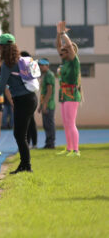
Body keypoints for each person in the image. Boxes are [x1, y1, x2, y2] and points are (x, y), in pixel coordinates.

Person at [0, 33, 37, 173]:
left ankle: (26, 166)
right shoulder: (21, 60)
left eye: (0, 47)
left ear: (2, 48)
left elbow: (1, 88)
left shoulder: (7, 65)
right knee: (20, 134)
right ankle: (25, 164)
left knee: (20, 135)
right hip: (31, 98)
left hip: (23, 100)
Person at [55, 21, 82, 157]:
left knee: (71, 123)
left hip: (72, 95)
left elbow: (69, 46)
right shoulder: (65, 62)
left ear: (70, 52)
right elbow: (58, 46)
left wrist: (64, 34)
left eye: (64, 50)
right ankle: (69, 148)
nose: (61, 51)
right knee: (66, 123)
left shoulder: (74, 61)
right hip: (64, 95)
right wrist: (58, 34)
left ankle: (76, 150)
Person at [37, 58, 56, 150]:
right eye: (39, 65)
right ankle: (48, 143)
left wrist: (44, 104)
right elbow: (43, 92)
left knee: (49, 124)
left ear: (47, 65)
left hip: (49, 104)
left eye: (42, 65)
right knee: (46, 124)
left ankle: (51, 143)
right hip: (44, 103)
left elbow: (49, 90)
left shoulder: (49, 74)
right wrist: (40, 105)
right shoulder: (43, 75)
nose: (40, 67)